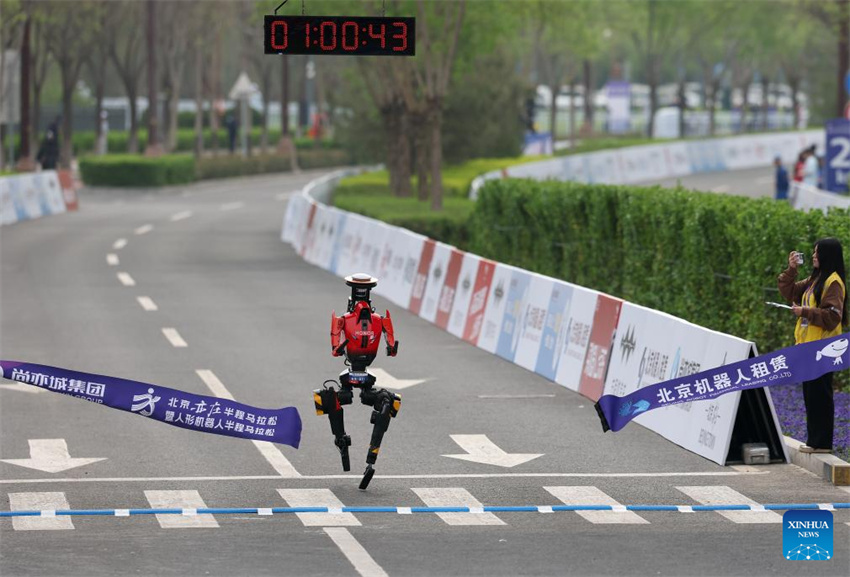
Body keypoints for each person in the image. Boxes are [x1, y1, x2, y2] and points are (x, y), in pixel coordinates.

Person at [777, 238, 847, 454]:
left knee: (820, 395)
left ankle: (822, 443)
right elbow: (789, 292)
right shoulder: (815, 280)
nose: (813, 256)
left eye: (817, 253)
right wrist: (791, 270)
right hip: (808, 347)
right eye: (813, 252)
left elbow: (833, 316)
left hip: (824, 349)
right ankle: (814, 442)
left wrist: (804, 312)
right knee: (810, 394)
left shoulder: (833, 282)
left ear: (827, 255)